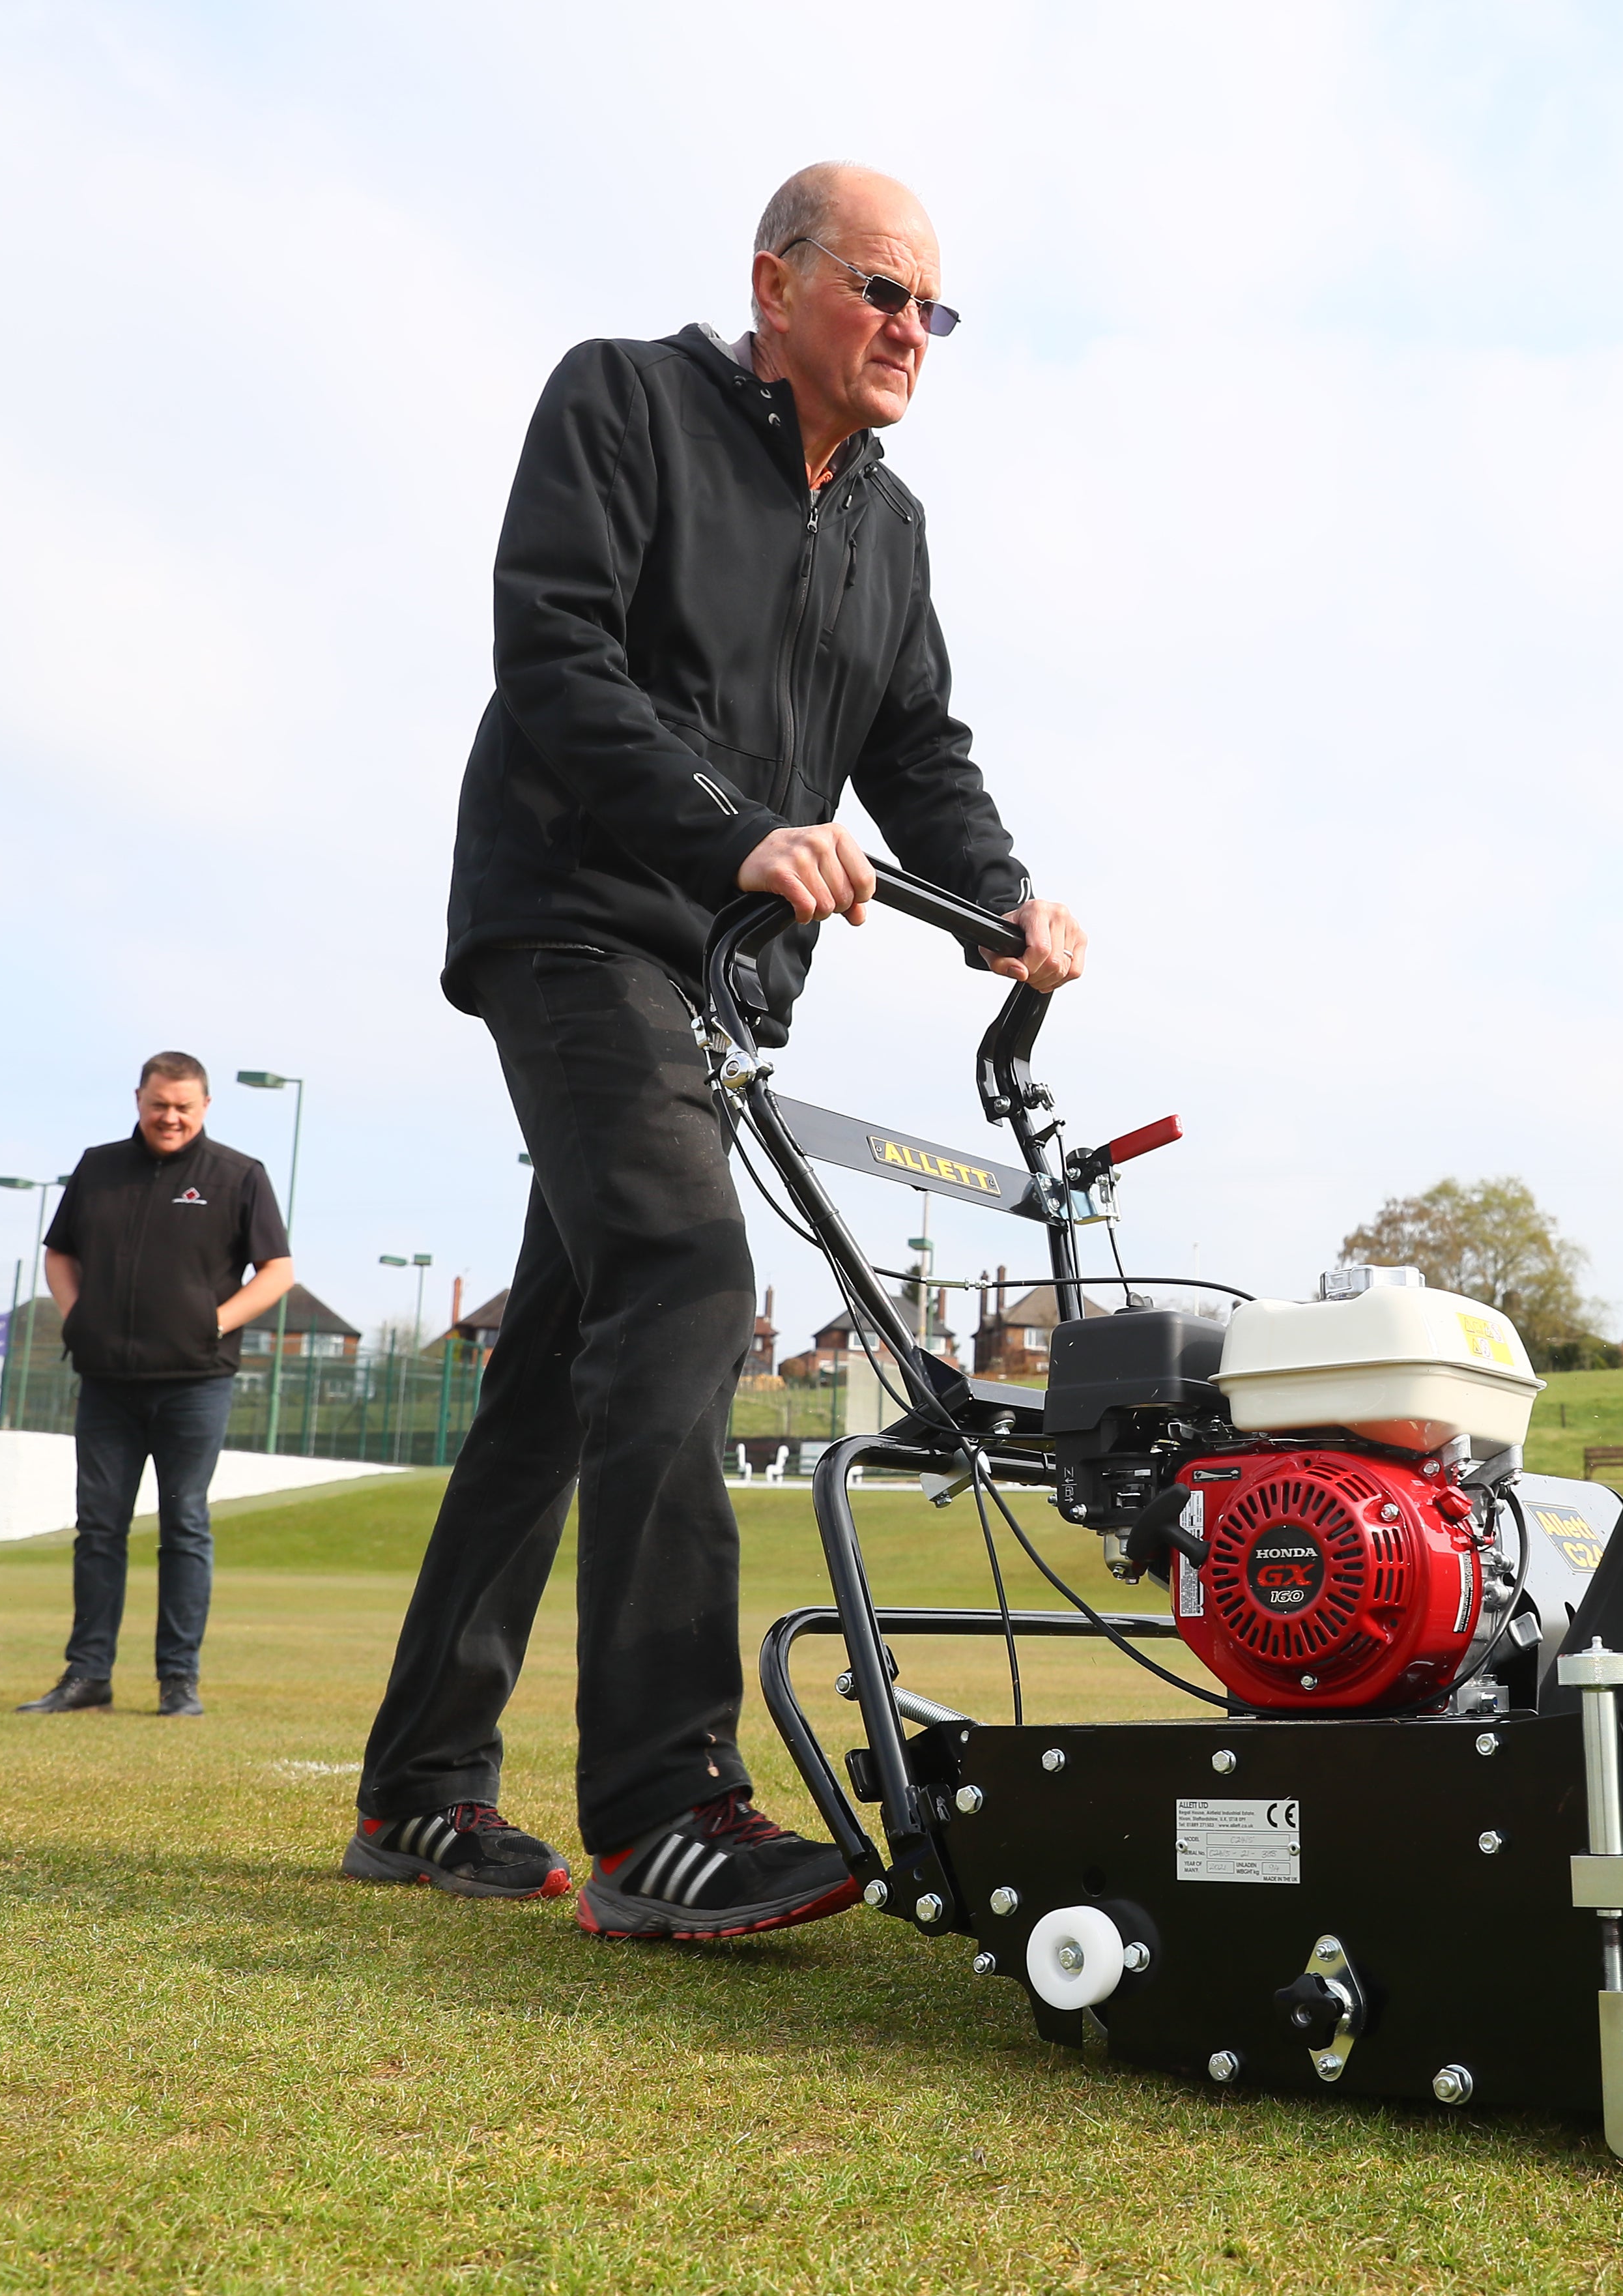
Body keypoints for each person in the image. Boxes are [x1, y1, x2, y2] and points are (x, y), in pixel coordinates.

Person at [347, 162, 1087, 1931]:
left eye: (936, 308)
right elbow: (554, 651)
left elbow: (918, 748)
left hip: (727, 981)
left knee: (565, 1358)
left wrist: (1007, 902)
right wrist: (736, 824)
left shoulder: (890, 527)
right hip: (578, 912)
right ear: (780, 281)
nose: (915, 331)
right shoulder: (624, 400)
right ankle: (661, 1807)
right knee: (686, 1270)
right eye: (884, 293)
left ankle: (422, 1790)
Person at [13, 1052, 295, 1719]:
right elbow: (60, 1251)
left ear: (204, 1107)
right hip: (107, 1382)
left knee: (185, 1525)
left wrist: (214, 1324)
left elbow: (277, 1270)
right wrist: (77, 1315)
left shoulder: (238, 1175)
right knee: (98, 1530)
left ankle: (178, 1681)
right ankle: (87, 1676)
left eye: (183, 1107)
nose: (169, 1117)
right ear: (138, 1099)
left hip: (196, 1382)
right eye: (158, 1104)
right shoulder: (98, 1167)